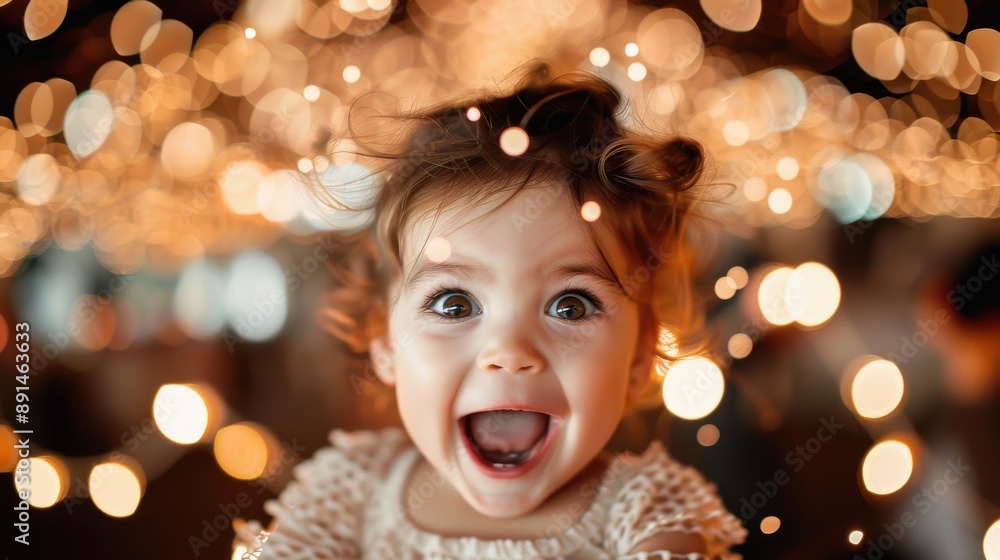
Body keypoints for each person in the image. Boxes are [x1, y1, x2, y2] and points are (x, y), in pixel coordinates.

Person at [231, 62, 748, 559]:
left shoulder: (650, 512)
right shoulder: (352, 491)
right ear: (385, 343)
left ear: (639, 354)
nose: (509, 351)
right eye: (454, 304)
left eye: (570, 306)